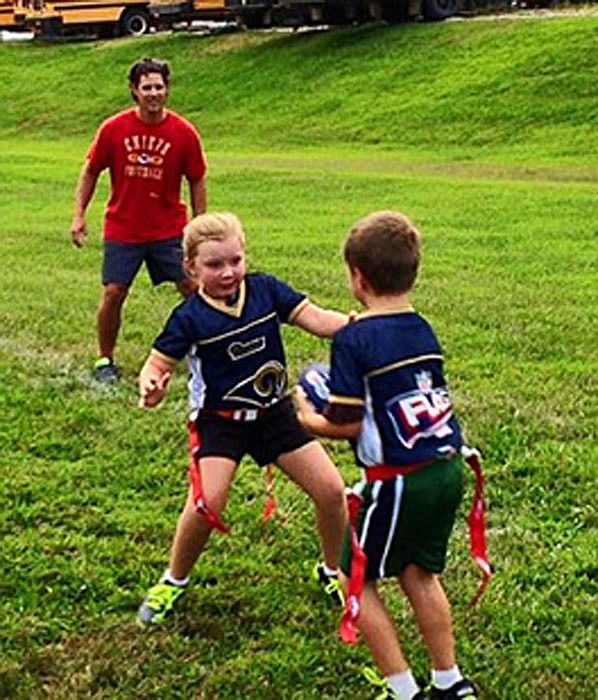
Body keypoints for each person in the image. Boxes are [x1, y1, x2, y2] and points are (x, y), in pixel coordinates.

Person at [296, 211, 478, 700]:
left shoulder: (353, 339)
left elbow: (346, 423)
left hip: (398, 480)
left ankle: (403, 690)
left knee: (354, 575)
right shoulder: (423, 327)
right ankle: (449, 681)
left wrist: (303, 414)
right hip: (447, 468)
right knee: (420, 572)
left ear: (358, 278)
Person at [136, 212, 348, 626]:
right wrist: (152, 385)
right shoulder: (189, 317)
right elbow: (155, 365)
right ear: (191, 268)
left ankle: (332, 571)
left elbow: (317, 319)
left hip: (276, 414)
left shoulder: (266, 290)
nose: (228, 272)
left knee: (331, 490)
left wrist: (361, 326)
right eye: (214, 265)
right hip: (221, 422)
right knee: (206, 505)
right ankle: (172, 581)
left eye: (235, 260)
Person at [70, 56, 208, 383]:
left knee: (193, 288)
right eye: (146, 87)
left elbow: (197, 178)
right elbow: (90, 171)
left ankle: (205, 353)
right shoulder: (113, 129)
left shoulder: (184, 132)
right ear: (134, 90)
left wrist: (201, 225)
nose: (153, 93)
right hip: (124, 227)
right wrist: (79, 215)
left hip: (169, 227)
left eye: (159, 87)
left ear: (167, 90)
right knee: (114, 292)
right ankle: (105, 359)